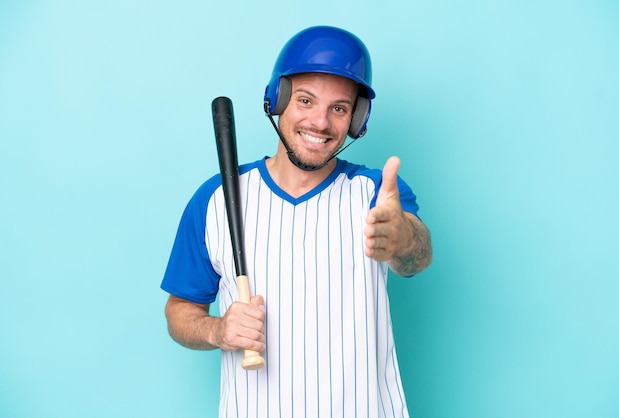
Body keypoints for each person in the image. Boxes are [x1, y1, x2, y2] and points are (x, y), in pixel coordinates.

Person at [161, 25, 432, 417]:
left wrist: (403, 238)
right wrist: (218, 330)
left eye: (339, 108)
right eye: (305, 101)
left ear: (356, 119)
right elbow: (180, 311)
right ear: (278, 99)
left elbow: (416, 258)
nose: (320, 122)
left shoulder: (375, 192)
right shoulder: (217, 198)